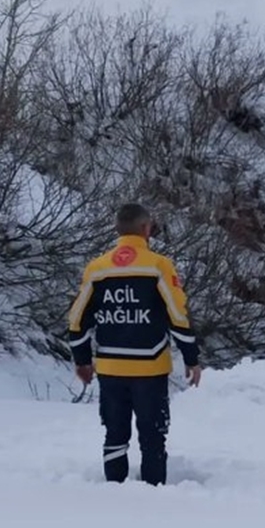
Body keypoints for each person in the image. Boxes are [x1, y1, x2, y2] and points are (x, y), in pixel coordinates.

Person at [67, 203, 201, 486]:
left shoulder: (97, 268)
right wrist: (191, 357)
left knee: (114, 433)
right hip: (150, 369)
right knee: (152, 435)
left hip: (110, 368)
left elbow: (77, 320)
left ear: (117, 229)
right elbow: (178, 315)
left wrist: (82, 360)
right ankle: (153, 492)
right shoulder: (158, 266)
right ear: (146, 229)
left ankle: (114, 491)